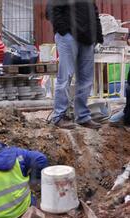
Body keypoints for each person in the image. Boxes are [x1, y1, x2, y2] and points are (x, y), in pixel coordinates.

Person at [46, 0, 104, 129]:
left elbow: (94, 14)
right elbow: (51, 9)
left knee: (86, 80)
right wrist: (63, 30)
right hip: (68, 37)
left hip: (88, 39)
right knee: (65, 77)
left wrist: (99, 37)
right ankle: (59, 116)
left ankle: (83, 116)